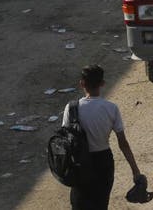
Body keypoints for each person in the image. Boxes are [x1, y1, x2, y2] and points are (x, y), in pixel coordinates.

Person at [60, 64, 143, 210]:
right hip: (103, 163)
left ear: (81, 84)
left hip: (79, 163)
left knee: (79, 204)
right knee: (100, 204)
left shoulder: (71, 108)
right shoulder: (111, 108)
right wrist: (135, 171)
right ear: (102, 84)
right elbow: (123, 143)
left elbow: (65, 141)